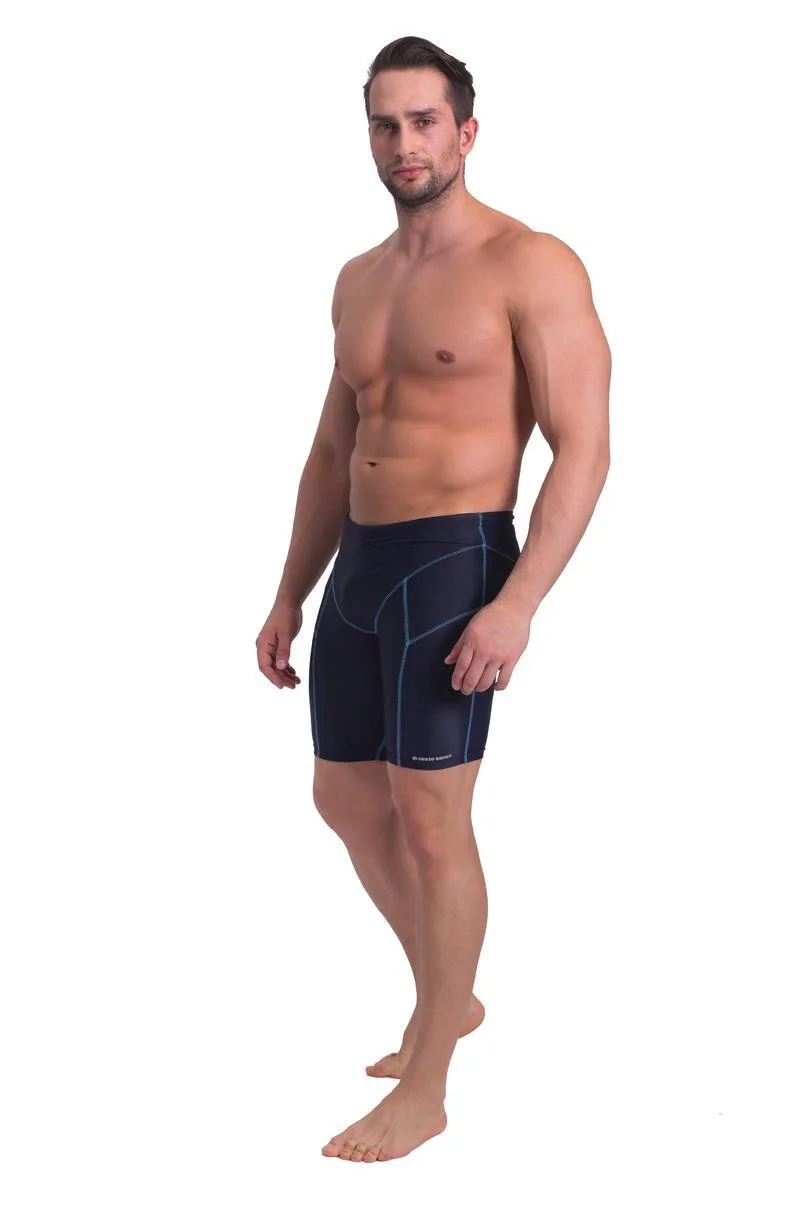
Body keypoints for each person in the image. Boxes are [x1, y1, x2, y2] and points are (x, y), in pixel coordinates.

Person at [255, 34, 611, 1162]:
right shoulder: (358, 280)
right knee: (342, 795)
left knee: (432, 817)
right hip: (360, 567)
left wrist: (518, 604)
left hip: (454, 562)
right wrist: (289, 592)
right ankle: (448, 992)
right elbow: (331, 450)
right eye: (384, 123)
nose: (403, 142)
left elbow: (584, 446)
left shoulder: (530, 263)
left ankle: (430, 1083)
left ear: (466, 131)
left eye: (422, 121)